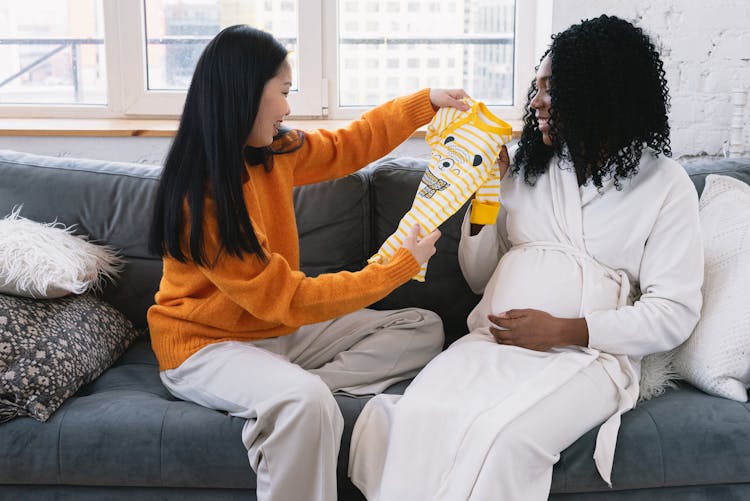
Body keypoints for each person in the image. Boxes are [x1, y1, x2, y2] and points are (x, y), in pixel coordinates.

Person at [348, 15, 704, 500]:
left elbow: (675, 313)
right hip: (490, 344)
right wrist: (486, 195)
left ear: (599, 92)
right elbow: (478, 279)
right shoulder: (528, 167)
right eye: (536, 87)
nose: (535, 101)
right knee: (415, 415)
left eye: (552, 89)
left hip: (589, 355)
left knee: (506, 438)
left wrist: (566, 329)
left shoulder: (664, 185)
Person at [147, 24, 467, 501]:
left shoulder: (273, 152)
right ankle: (293, 399)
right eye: (283, 92)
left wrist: (425, 103)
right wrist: (394, 269)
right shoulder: (206, 199)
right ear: (245, 94)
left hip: (275, 334)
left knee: (423, 326)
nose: (289, 107)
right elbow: (286, 298)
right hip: (206, 346)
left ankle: (288, 397)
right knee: (308, 401)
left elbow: (348, 146)